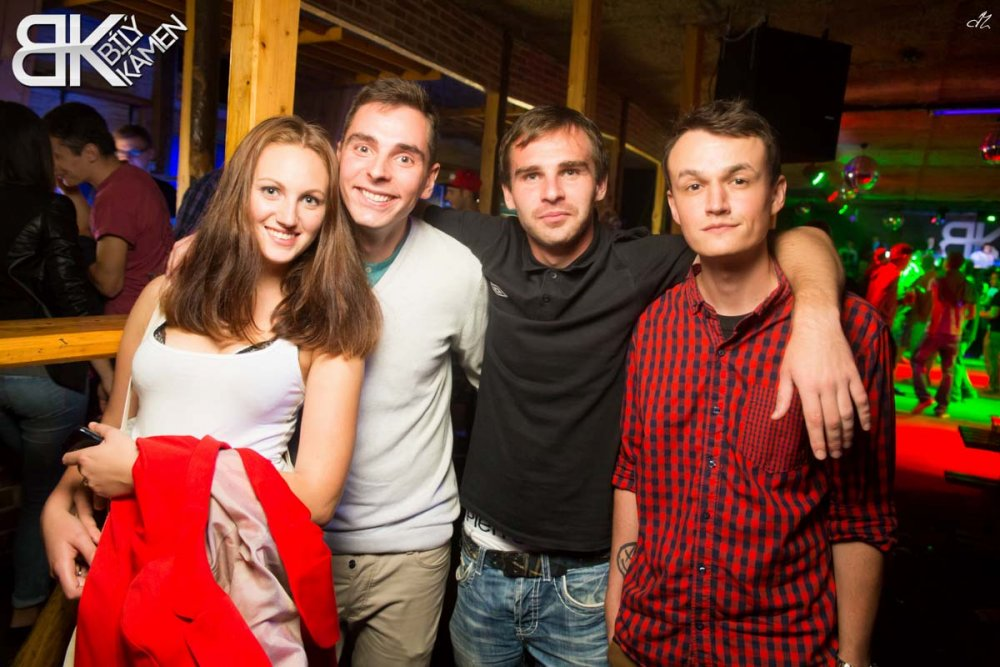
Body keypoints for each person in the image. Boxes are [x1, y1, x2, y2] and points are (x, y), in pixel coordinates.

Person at [421, 105, 870, 665]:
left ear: (601, 184)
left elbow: (785, 238)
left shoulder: (643, 262)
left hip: (589, 578)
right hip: (482, 563)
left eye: (571, 171)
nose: (551, 192)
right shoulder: (479, 243)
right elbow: (380, 210)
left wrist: (818, 312)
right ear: (509, 193)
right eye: (531, 176)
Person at [40, 114, 381, 647]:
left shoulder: (327, 325)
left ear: (328, 214)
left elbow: (315, 498)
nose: (288, 216)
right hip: (128, 551)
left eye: (311, 200)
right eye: (271, 190)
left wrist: (145, 471)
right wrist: (59, 501)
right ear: (239, 193)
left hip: (236, 572)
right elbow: (114, 424)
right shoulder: (161, 295)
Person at [605, 99, 896, 667]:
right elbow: (633, 474)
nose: (715, 203)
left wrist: (853, 657)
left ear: (776, 194)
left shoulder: (852, 332)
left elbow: (862, 515)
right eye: (694, 186)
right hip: (647, 640)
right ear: (674, 205)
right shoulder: (654, 326)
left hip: (777, 649)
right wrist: (617, 610)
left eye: (738, 180)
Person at [325, 79, 487, 666]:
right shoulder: (288, 250)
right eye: (364, 147)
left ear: (428, 179)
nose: (378, 171)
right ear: (338, 154)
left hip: (412, 550)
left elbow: (490, 385)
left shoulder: (456, 270)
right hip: (291, 540)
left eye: (404, 157)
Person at [0, 101, 107, 634]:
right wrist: (107, 371)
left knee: (25, 478)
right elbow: (72, 296)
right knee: (44, 490)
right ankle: (26, 607)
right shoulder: (51, 207)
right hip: (43, 373)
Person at [44, 103, 174, 315]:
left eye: (57, 156)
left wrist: (74, 255)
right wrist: (69, 190)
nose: (53, 165)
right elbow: (91, 229)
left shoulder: (116, 194)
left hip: (126, 317)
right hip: (149, 310)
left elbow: (109, 283)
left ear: (90, 152)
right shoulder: (129, 178)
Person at [911, 251, 972, 418]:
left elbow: (937, 306)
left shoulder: (938, 280)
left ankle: (924, 397)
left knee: (917, 360)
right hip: (955, 334)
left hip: (937, 330)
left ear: (947, 262)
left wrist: (933, 328)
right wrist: (958, 319)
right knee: (948, 370)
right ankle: (942, 408)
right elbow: (971, 313)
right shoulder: (967, 284)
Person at [113, 124, 178, 217]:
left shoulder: (167, 193)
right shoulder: (100, 191)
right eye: (120, 152)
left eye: (134, 152)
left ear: (150, 154)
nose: (126, 158)